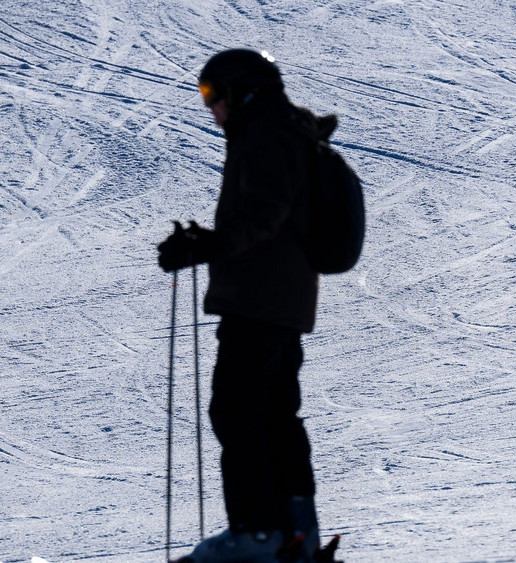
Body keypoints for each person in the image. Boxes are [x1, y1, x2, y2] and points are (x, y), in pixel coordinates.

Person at [157, 49, 326, 562]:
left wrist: (206, 246)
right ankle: (295, 533)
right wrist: (208, 242)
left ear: (241, 91)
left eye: (212, 94)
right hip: (281, 299)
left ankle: (257, 533)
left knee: (237, 410)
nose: (209, 106)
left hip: (258, 298)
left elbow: (264, 213)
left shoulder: (265, 133)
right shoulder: (286, 132)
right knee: (276, 415)